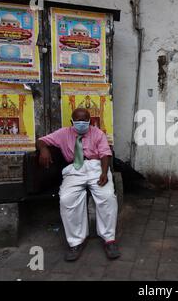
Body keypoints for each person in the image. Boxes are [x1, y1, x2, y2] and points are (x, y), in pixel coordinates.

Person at [36, 108, 120, 262]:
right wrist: (43, 149)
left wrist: (104, 172)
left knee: (107, 197)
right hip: (74, 168)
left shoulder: (97, 133)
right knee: (67, 199)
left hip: (96, 167)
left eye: (85, 121)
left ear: (90, 121)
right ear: (72, 122)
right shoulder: (63, 133)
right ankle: (76, 242)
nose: (82, 124)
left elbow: (105, 154)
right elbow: (41, 140)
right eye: (78, 121)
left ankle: (109, 240)